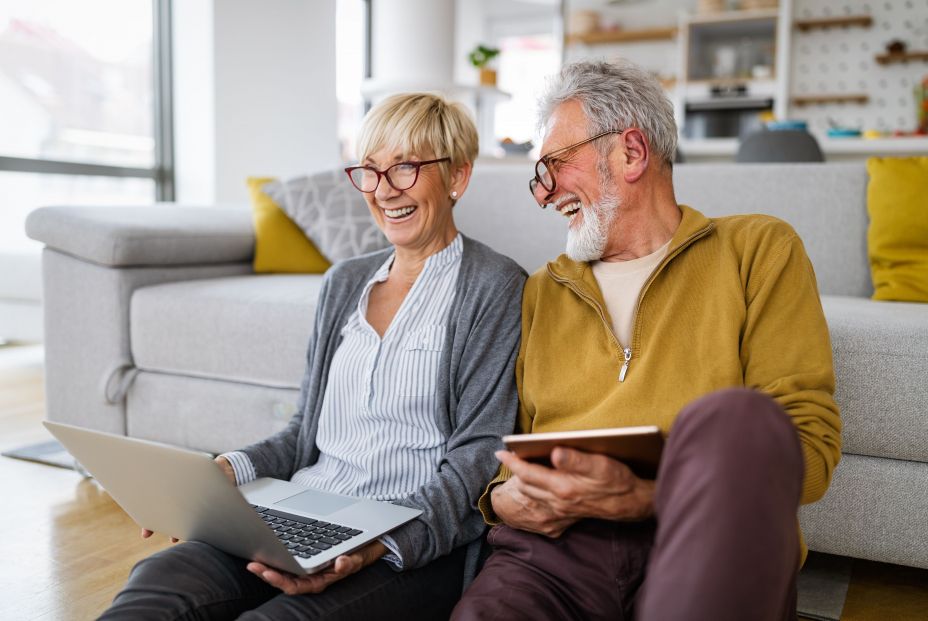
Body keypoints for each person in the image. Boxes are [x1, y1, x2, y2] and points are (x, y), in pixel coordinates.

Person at [101, 92, 526, 620]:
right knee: (162, 581)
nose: (383, 190)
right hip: (303, 510)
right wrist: (226, 472)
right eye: (369, 171)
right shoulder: (345, 281)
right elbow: (305, 433)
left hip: (406, 546)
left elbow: (477, 460)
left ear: (457, 177)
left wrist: (376, 543)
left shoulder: (496, 286)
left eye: (406, 168)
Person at [452, 60, 842, 621]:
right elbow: (505, 451)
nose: (544, 194)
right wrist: (504, 500)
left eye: (554, 166)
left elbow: (808, 453)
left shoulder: (758, 250)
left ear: (631, 152)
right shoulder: (542, 289)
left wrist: (646, 498)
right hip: (553, 553)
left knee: (739, 420)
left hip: (703, 535)